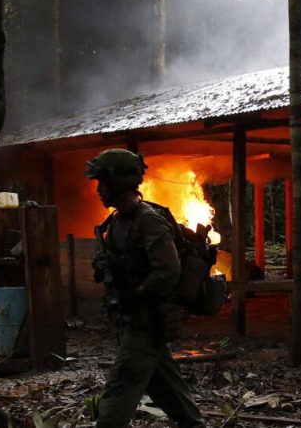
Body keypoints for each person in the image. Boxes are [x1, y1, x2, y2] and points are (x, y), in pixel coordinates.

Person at [85, 148, 205, 428]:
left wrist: (136, 293)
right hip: (137, 320)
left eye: (102, 183)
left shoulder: (148, 221)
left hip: (148, 319)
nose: (99, 190)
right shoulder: (116, 222)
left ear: (118, 184)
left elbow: (168, 270)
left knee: (120, 388)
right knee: (164, 384)